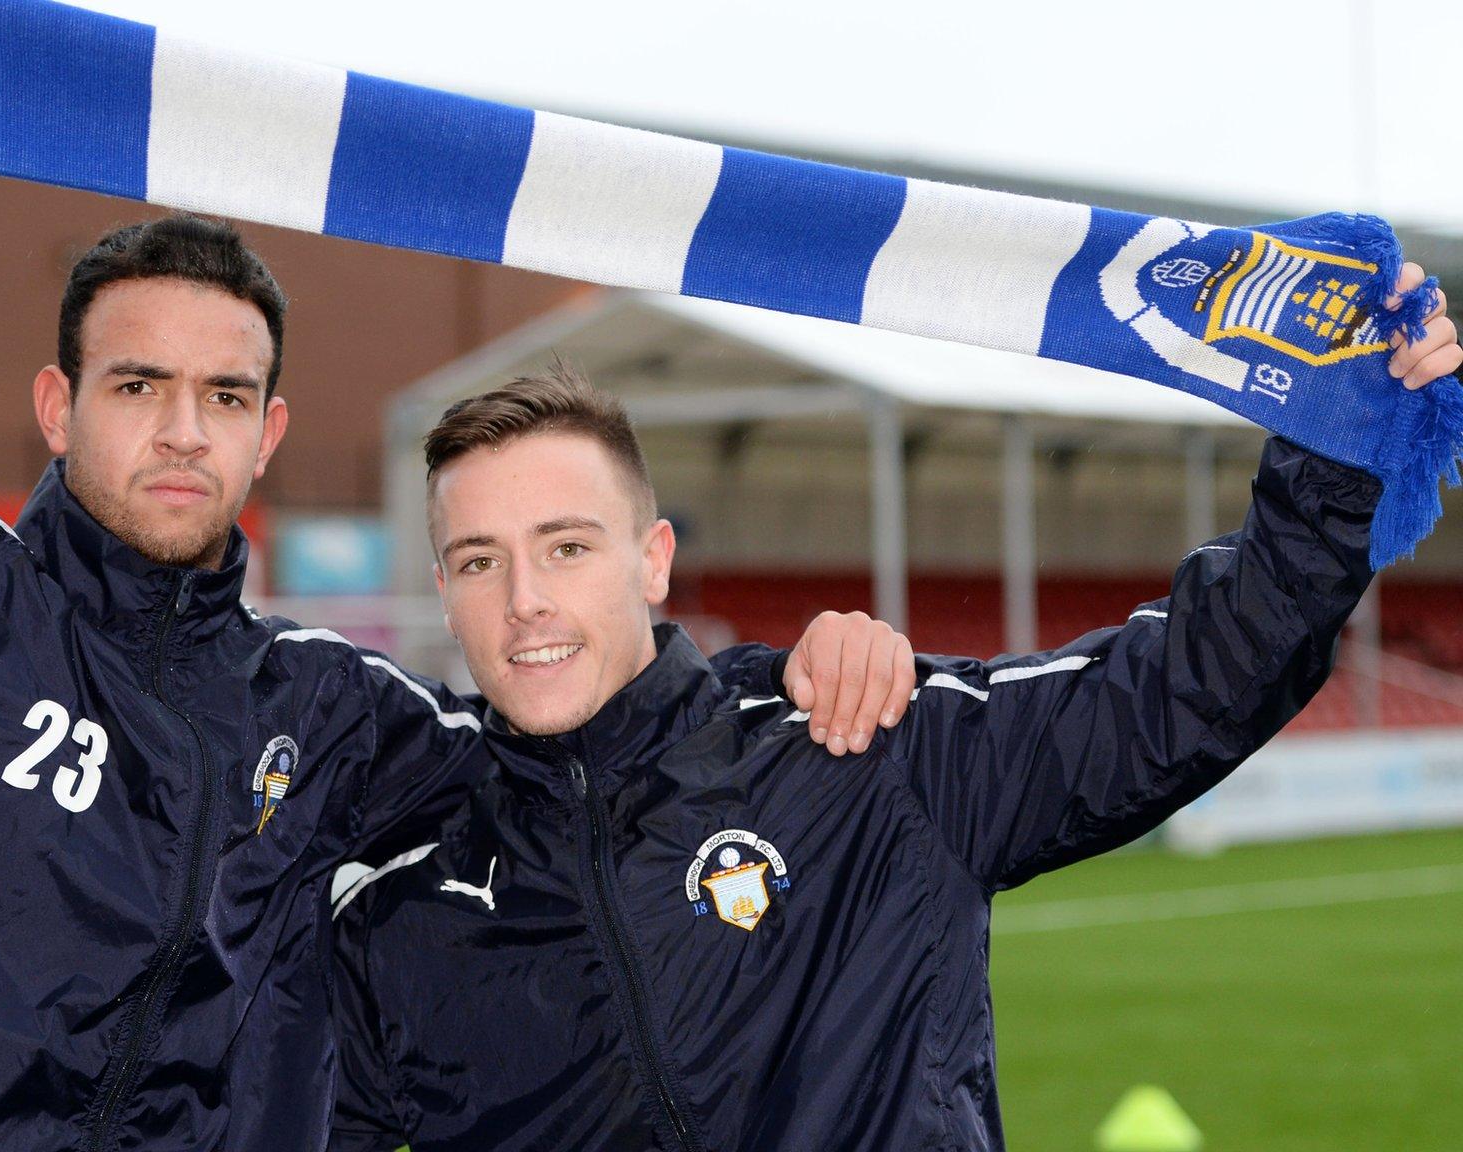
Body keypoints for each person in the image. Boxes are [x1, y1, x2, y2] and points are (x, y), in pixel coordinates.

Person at [0, 144, 910, 1152]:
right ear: (58, 406)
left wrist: (792, 673)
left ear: (268, 432)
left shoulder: (327, 710)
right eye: (139, 387)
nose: (183, 429)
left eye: (224, 395)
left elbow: (582, 738)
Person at [322, 321, 1452, 1152]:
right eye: (480, 561)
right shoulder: (396, 909)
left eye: (565, 546)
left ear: (652, 559)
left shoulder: (855, 746)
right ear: (440, 585)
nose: (522, 599)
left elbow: (1177, 687)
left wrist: (1332, 452)